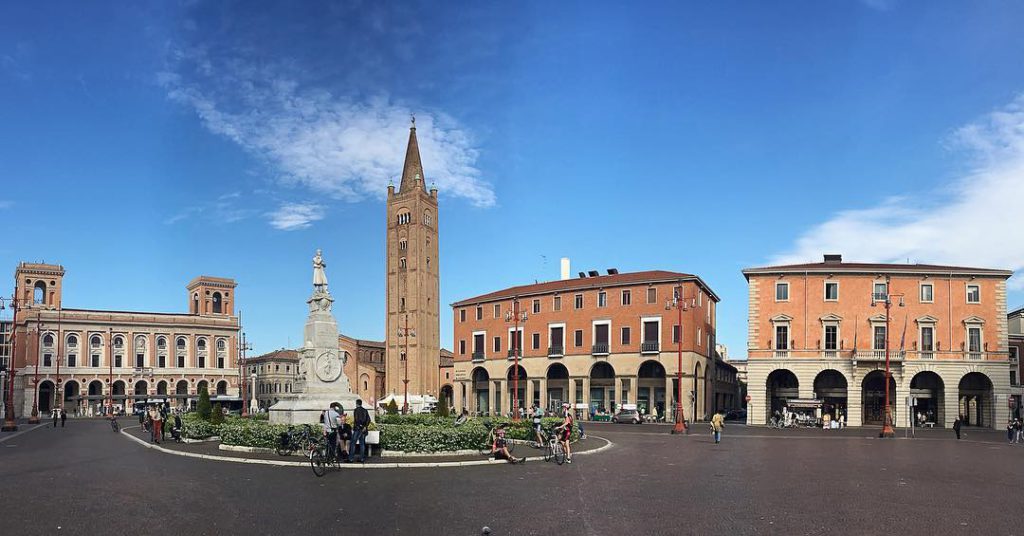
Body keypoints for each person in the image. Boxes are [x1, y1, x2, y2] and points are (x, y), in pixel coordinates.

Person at [351, 399, 370, 463]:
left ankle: (351, 458)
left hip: (357, 429)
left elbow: (356, 420)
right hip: (363, 430)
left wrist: (360, 426)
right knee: (362, 444)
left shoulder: (356, 410)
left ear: (356, 403)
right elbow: (368, 419)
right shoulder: (365, 410)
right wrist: (365, 426)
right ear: (361, 403)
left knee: (353, 443)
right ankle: (362, 458)